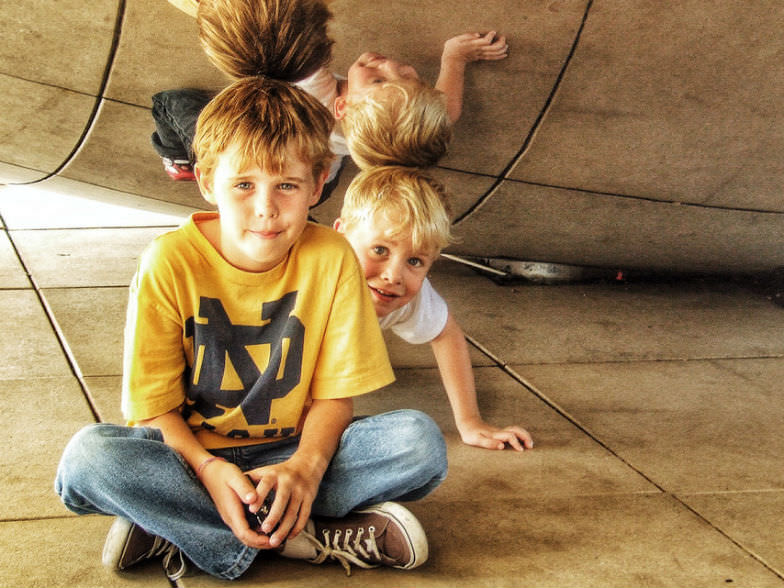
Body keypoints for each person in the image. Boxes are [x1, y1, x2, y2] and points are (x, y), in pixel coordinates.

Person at [55, 77, 447, 582]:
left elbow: (335, 399)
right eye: (243, 185)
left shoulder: (331, 258)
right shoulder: (167, 262)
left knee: (418, 442)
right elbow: (153, 411)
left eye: (287, 184)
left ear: (320, 180)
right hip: (189, 456)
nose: (266, 207)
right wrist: (209, 470)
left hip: (294, 448)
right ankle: (301, 537)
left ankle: (175, 525)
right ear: (205, 181)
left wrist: (305, 468)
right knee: (90, 460)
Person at [152, 0, 508, 196]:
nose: (389, 64)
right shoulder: (405, 119)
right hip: (321, 175)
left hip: (273, 154)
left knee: (172, 102)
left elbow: (263, 18)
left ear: (342, 106)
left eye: (376, 78)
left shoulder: (312, 89)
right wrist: (454, 58)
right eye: (409, 76)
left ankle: (178, 161)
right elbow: (447, 109)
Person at [334, 166, 535, 451]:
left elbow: (446, 334)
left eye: (415, 261)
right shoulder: (306, 282)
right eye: (380, 250)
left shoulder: (404, 294)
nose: (394, 275)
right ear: (340, 235)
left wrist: (470, 422)